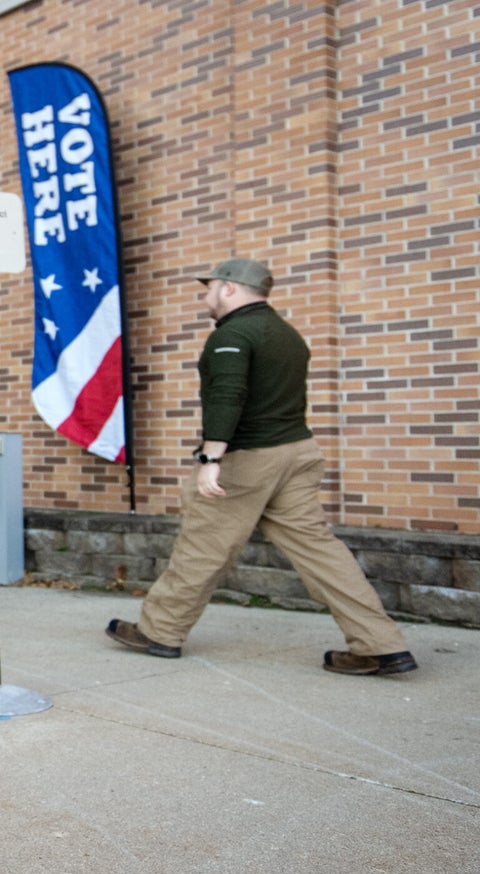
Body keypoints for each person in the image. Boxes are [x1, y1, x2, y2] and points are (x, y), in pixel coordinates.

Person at [106, 259, 417, 676]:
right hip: (298, 452)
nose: (205, 295)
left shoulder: (232, 335)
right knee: (320, 552)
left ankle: (160, 631)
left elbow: (228, 396)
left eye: (210, 287)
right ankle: (380, 645)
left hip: (248, 459)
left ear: (231, 289)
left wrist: (211, 459)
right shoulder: (288, 335)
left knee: (203, 547)